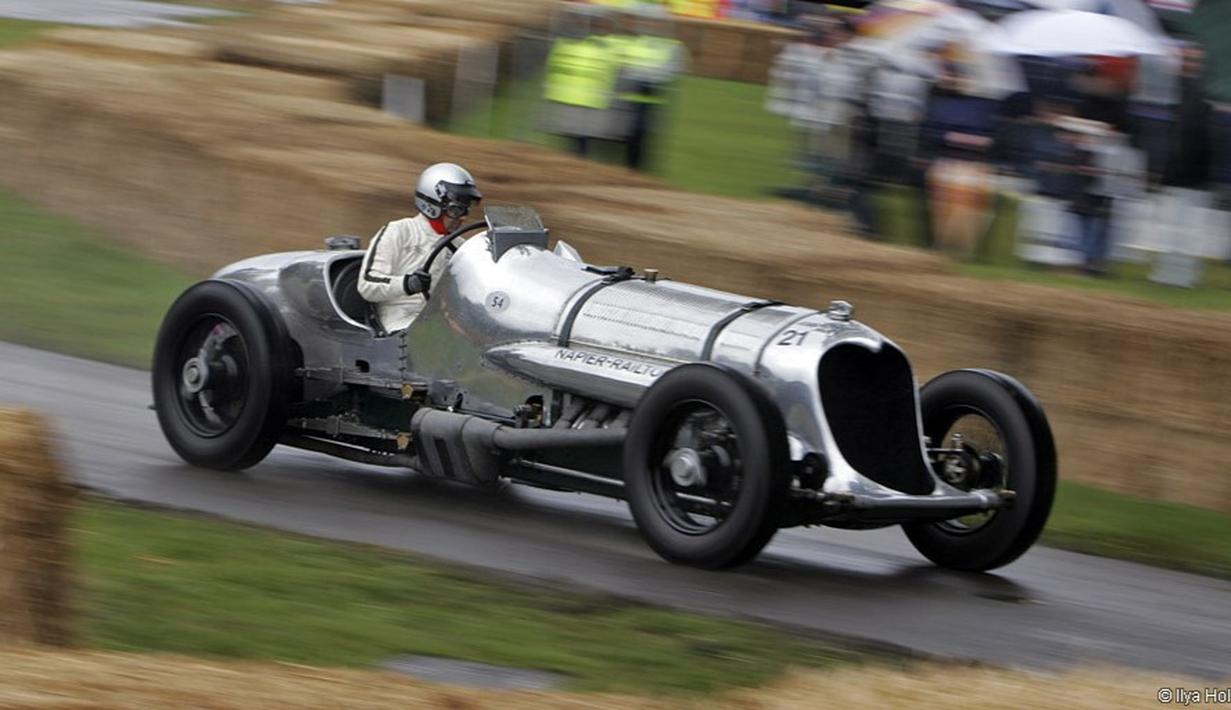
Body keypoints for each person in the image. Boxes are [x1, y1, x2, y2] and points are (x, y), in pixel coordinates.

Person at [358, 163, 482, 333]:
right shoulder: (399, 231)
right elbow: (367, 285)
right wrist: (408, 284)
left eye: (465, 210)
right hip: (400, 322)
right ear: (431, 204)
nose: (463, 218)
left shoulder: (460, 246)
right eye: (455, 210)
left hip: (440, 323)